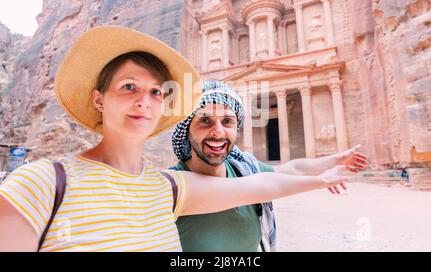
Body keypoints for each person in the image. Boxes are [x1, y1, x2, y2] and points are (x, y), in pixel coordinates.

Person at [0, 26, 354, 252]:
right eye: (129, 87)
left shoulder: (170, 189)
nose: (145, 101)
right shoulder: (42, 183)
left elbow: (266, 184)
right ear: (98, 98)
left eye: (157, 91)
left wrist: (323, 174)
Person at [171, 81, 368, 252]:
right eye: (205, 120)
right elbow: (265, 184)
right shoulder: (171, 186)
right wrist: (322, 180)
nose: (218, 131)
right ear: (187, 129)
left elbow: (293, 169)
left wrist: (335, 160)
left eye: (227, 121)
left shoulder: (243, 169)